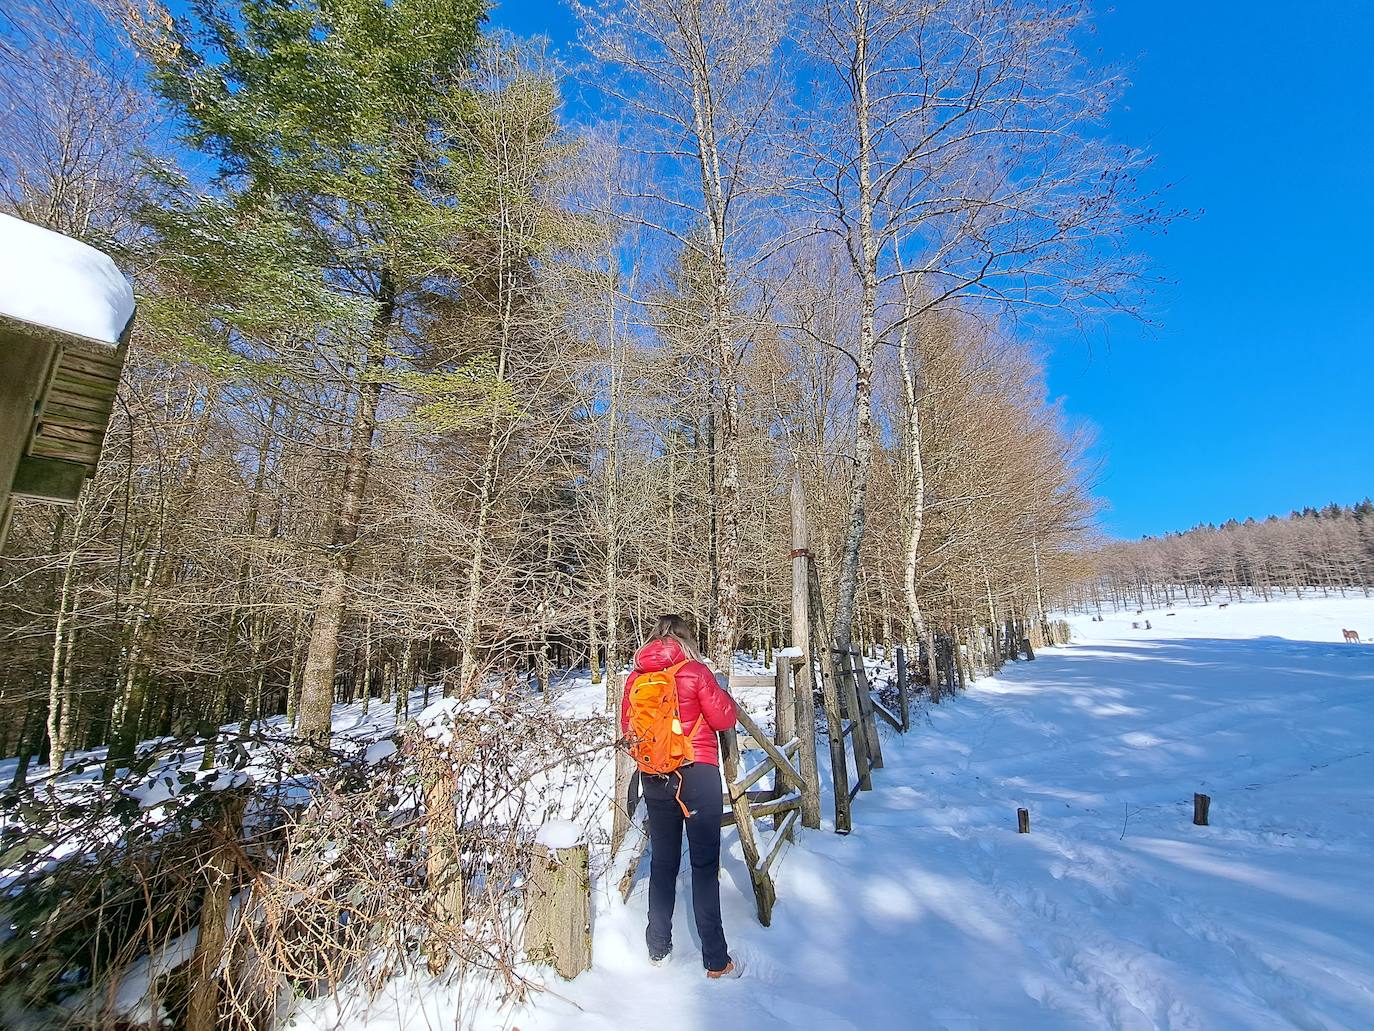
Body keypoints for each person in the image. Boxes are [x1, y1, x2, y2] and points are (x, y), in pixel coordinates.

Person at [620, 614, 742, 979]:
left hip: (654, 775)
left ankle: (658, 947)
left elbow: (630, 730)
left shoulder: (636, 677)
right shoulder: (695, 672)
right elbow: (723, 720)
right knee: (704, 866)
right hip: (697, 771)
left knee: (663, 863)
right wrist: (724, 696)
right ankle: (716, 960)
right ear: (685, 638)